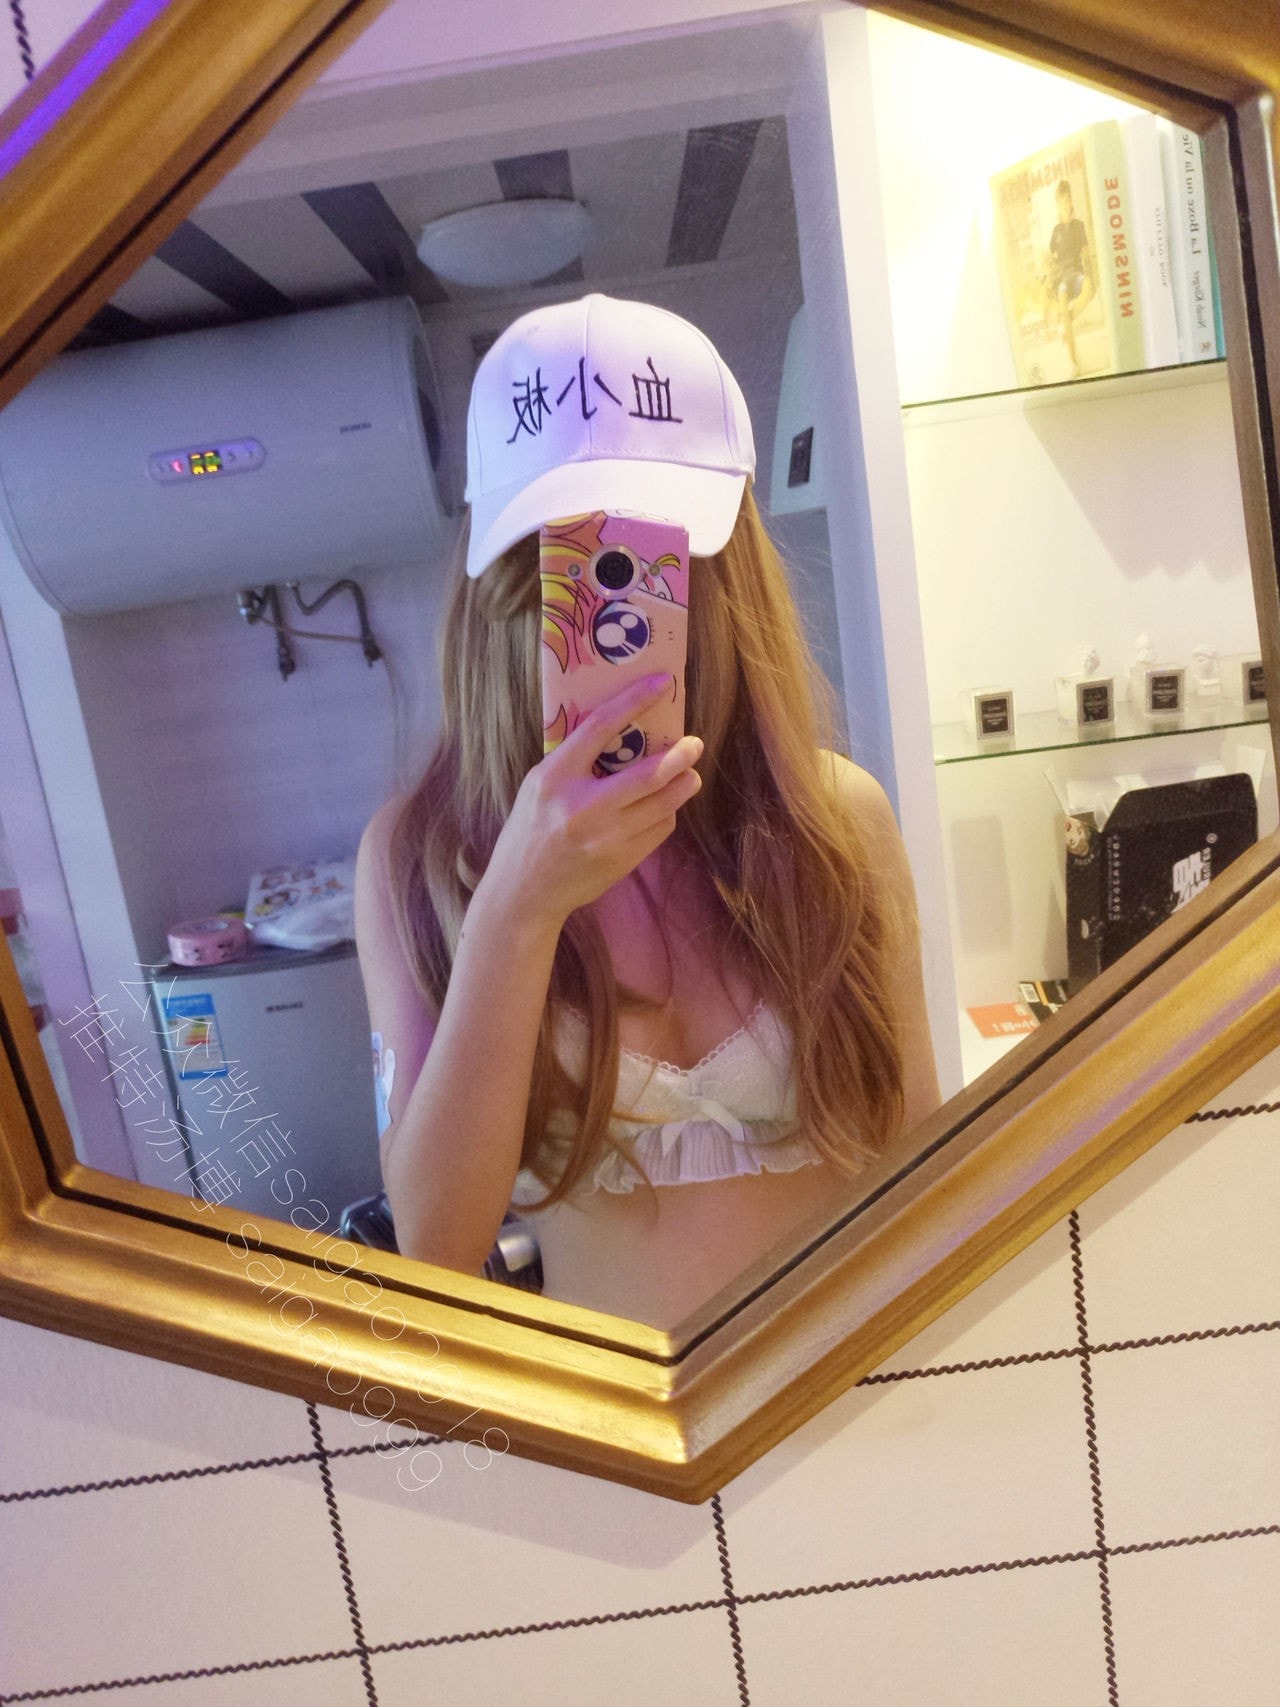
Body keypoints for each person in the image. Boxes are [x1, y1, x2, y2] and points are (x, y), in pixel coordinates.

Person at [355, 293, 940, 1327]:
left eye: (653, 561)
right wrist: (517, 910)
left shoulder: (834, 821)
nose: (614, 611)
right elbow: (435, 1243)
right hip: (615, 1417)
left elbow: (924, 1167)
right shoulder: (425, 856)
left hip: (856, 1384)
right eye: (563, 559)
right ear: (500, 577)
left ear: (725, 569)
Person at [1043, 179, 1095, 377]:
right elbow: (1052, 259)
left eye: (1068, 200)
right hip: (1064, 280)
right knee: (1063, 295)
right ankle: (1074, 363)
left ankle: (1064, 324)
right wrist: (1046, 261)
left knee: (1087, 286)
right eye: (1062, 201)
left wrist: (1092, 277)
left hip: (1078, 276)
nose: (1066, 204)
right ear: (1057, 204)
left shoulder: (1079, 226)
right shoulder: (1056, 231)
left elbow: (1086, 255)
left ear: (1071, 201)